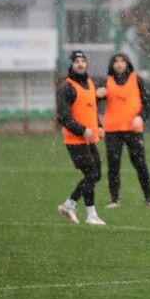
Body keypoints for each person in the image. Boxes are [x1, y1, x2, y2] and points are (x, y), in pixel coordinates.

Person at [95, 52, 150, 209]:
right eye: (116, 61)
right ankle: (114, 200)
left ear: (127, 64)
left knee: (140, 164)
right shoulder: (106, 82)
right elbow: (90, 103)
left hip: (133, 130)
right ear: (112, 65)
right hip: (113, 130)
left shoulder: (136, 79)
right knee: (113, 165)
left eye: (122, 61)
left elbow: (148, 103)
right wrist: (96, 96)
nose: (119, 64)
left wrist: (141, 117)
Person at [56, 50, 106, 226]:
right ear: (71, 65)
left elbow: (90, 107)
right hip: (75, 140)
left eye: (83, 61)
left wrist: (99, 127)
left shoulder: (90, 83)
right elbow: (64, 117)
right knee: (91, 174)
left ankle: (75, 207)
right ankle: (84, 211)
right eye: (77, 61)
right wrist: (82, 130)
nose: (80, 64)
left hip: (89, 138)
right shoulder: (66, 87)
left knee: (95, 175)